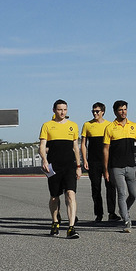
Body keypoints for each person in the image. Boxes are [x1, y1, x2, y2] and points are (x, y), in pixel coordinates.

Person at [103, 100, 136, 233]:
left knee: (134, 194)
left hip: (131, 166)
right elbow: (105, 150)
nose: (123, 112)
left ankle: (123, 209)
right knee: (122, 193)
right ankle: (127, 220)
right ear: (115, 112)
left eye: (125, 109)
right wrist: (106, 169)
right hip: (116, 167)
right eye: (120, 110)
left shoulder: (133, 126)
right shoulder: (110, 128)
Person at [39, 99, 81, 239]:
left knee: (71, 194)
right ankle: (55, 221)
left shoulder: (73, 126)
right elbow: (42, 147)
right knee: (54, 197)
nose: (62, 112)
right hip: (54, 166)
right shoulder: (47, 126)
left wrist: (79, 166)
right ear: (54, 110)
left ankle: (71, 228)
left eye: (64, 109)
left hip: (69, 166)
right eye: (59, 109)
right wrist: (44, 160)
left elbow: (76, 147)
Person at [81, 102, 119, 222]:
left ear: (103, 112)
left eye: (97, 111)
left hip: (108, 161)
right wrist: (84, 159)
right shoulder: (87, 125)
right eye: (93, 111)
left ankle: (112, 213)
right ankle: (99, 214)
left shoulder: (110, 125)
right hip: (93, 161)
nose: (95, 113)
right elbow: (83, 144)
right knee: (96, 188)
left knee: (111, 187)